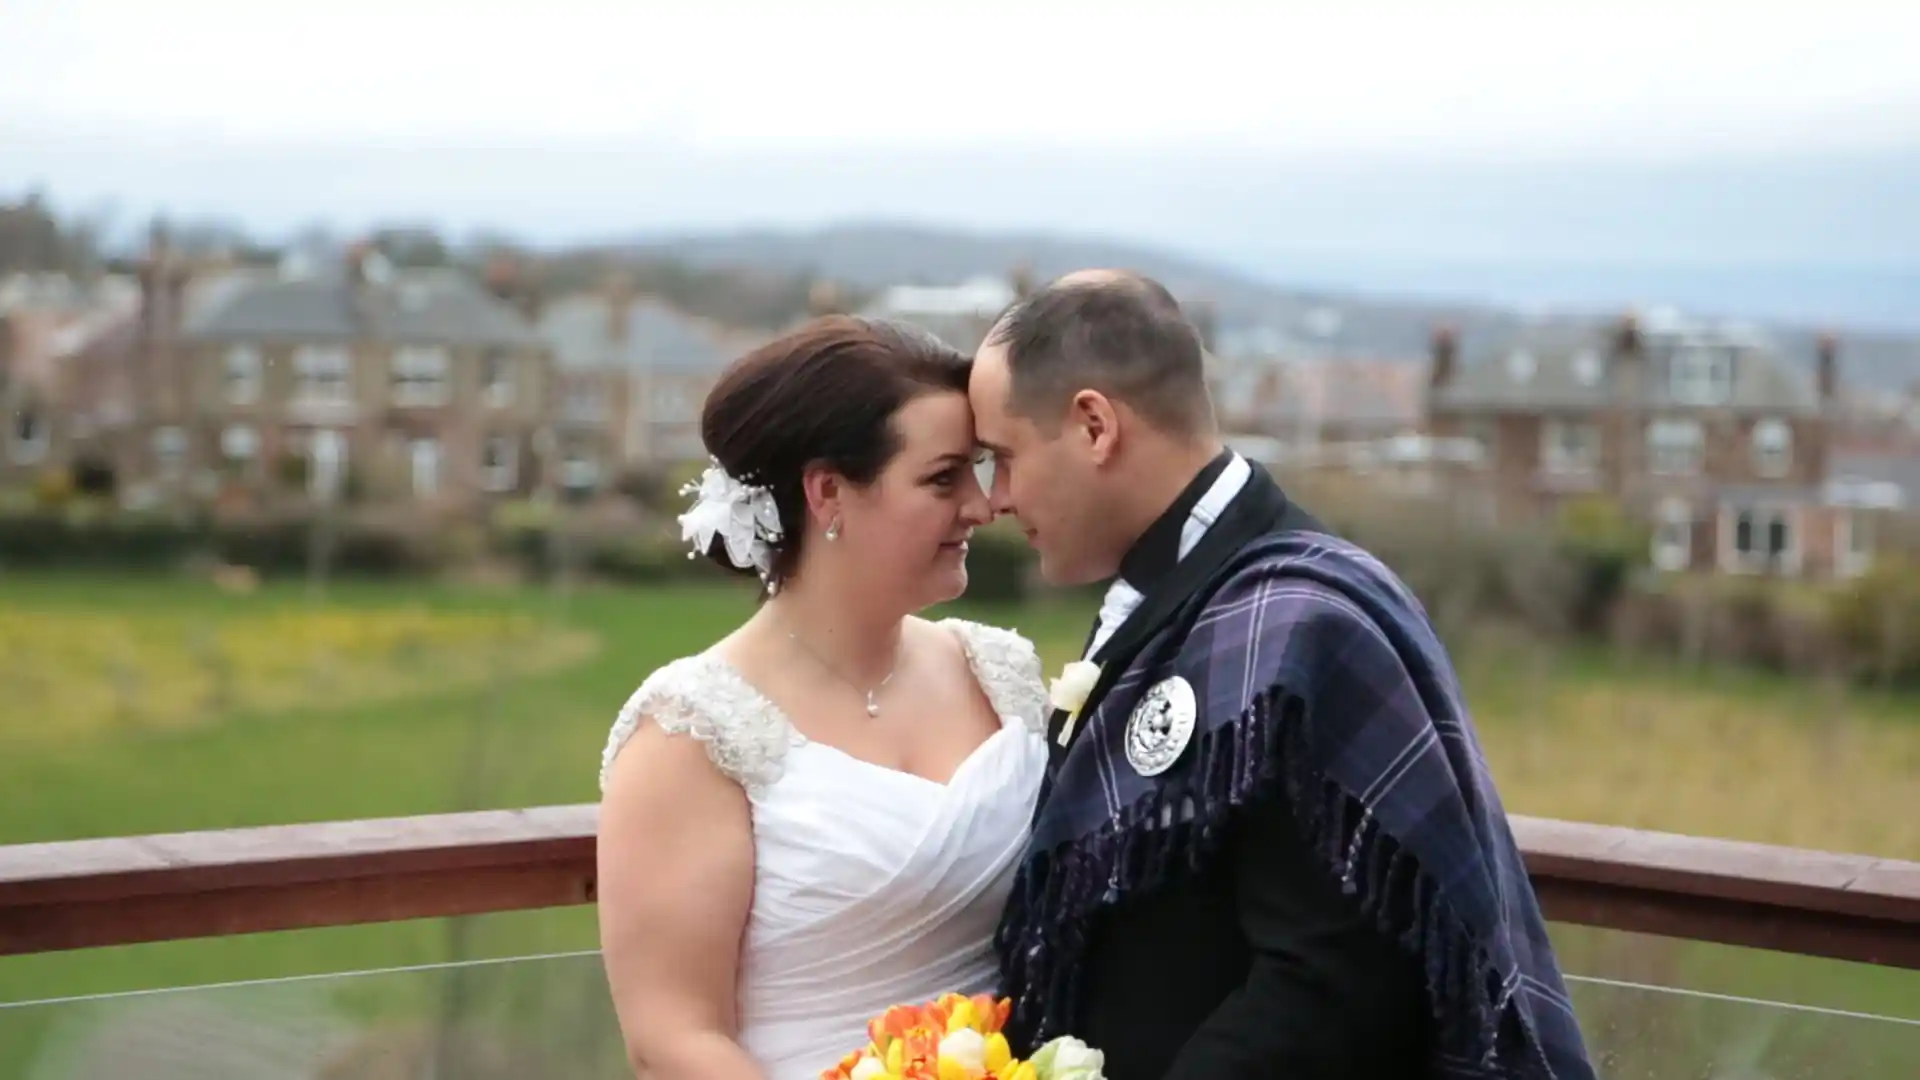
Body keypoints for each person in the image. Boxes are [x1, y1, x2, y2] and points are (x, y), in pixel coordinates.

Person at [974, 270, 1598, 1080]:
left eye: (1004, 458)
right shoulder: (1173, 587)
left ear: (1095, 425)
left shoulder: (1305, 621)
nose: (994, 499)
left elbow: (1336, 983)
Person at [596, 315, 1050, 1080]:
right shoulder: (691, 733)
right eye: (944, 478)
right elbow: (672, 1038)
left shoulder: (1000, 673)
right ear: (829, 492)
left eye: (976, 471)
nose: (981, 505)